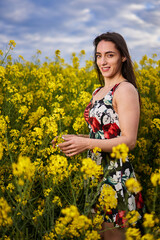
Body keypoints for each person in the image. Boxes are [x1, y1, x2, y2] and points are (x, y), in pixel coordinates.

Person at [52, 32, 145, 240]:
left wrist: (85, 143)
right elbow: (101, 134)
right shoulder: (98, 91)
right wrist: (74, 138)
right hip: (94, 177)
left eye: (109, 55)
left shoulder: (125, 90)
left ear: (123, 57)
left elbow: (129, 140)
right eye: (98, 55)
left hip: (117, 178)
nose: (102, 61)